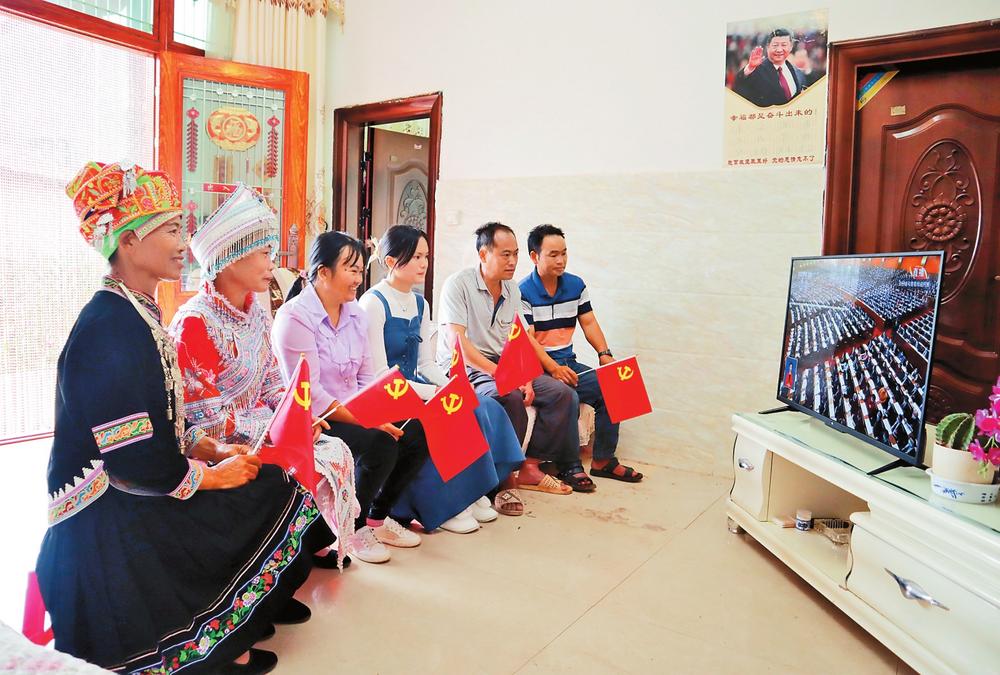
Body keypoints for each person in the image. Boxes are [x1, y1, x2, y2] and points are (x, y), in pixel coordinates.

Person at [38, 161, 329, 675]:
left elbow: (162, 417)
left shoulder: (138, 311)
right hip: (108, 515)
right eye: (171, 230)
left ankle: (249, 615)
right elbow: (132, 460)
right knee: (264, 493)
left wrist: (208, 447)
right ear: (129, 242)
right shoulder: (109, 327)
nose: (182, 243)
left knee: (273, 480)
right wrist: (211, 477)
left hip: (142, 484)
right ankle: (222, 635)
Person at [170, 184, 359, 569]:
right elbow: (206, 420)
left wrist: (300, 419)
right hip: (223, 443)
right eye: (263, 253)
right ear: (230, 257)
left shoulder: (256, 312)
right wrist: (276, 430)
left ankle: (305, 543)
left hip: (261, 426)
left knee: (334, 448)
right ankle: (277, 557)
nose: (272, 263)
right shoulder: (195, 322)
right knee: (290, 462)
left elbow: (275, 383)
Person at [272, 232, 428, 563]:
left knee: (416, 430)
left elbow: (366, 378)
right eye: (350, 269)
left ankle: (377, 518)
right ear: (323, 272)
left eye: (360, 270)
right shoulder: (295, 318)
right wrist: (369, 420)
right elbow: (311, 393)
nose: (358, 279)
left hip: (354, 408)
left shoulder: (356, 314)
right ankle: (352, 530)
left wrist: (378, 412)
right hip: (315, 418)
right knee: (380, 444)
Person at [359, 225, 525, 527]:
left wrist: (451, 387)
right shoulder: (373, 303)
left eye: (426, 256)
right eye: (416, 257)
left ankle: (469, 491)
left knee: (476, 404)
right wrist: (433, 393)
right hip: (387, 393)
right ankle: (442, 506)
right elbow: (379, 374)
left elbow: (425, 364)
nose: (424, 263)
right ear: (391, 261)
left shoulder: (420, 303)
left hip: (416, 386)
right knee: (440, 416)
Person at [437, 222, 597, 509]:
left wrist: (525, 376)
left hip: (502, 364)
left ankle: (530, 467)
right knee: (509, 397)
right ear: (484, 254)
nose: (512, 261)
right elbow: (458, 344)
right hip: (465, 366)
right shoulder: (458, 285)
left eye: (515, 254)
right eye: (505, 254)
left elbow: (519, 337)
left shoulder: (511, 289)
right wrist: (501, 374)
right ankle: (503, 481)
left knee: (562, 394)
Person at [520, 225, 643, 482]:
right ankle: (570, 465)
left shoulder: (576, 285)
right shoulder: (522, 292)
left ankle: (603, 460)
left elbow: (588, 322)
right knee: (569, 397)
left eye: (564, 253)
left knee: (616, 384)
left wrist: (604, 354)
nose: (561, 260)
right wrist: (553, 368)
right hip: (539, 369)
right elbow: (528, 341)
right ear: (534, 256)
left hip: (569, 362)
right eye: (553, 254)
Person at [733, 28, 805, 107]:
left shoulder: (796, 71)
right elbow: (739, 89)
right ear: (768, 47)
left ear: (790, 47)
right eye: (775, 45)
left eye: (784, 45)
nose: (779, 49)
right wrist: (749, 68)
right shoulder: (757, 70)